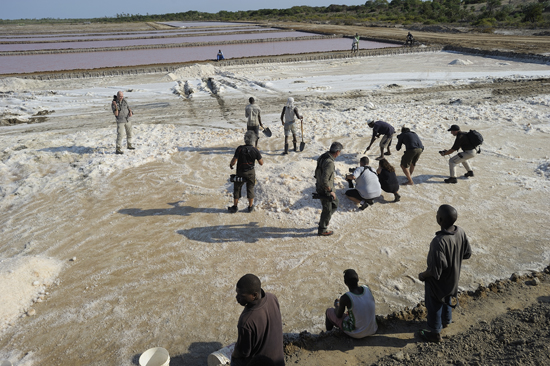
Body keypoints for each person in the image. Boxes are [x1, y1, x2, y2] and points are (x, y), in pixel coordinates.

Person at [418, 204, 472, 342]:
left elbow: (435, 271)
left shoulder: (438, 242)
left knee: (434, 304)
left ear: (440, 220)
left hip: (438, 283)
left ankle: (435, 333)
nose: (436, 215)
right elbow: (467, 254)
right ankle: (446, 321)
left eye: (437, 214)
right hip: (453, 278)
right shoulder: (460, 232)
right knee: (447, 298)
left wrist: (423, 275)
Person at [232, 274, 285, 366]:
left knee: (235, 360)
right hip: (279, 361)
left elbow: (244, 352)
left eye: (241, 295)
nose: (237, 298)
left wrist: (234, 354)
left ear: (254, 295)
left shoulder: (246, 320)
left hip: (263, 363)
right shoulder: (272, 298)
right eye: (237, 293)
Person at [325, 269, 378, 338]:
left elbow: (338, 315)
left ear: (345, 282)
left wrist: (337, 304)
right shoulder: (367, 288)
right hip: (373, 329)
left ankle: (328, 336)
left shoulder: (346, 297)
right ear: (358, 279)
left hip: (358, 333)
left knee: (329, 311)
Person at [229, 131, 264, 213]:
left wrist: (231, 165)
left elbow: (234, 161)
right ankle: (250, 207)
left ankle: (235, 207)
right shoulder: (255, 150)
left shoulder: (240, 148)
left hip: (240, 171)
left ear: (245, 139)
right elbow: (261, 163)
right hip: (250, 172)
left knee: (237, 188)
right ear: (253, 140)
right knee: (250, 188)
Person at [315, 142, 343, 236]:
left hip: (320, 186)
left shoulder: (323, 156)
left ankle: (324, 221)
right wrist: (330, 191)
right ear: (337, 152)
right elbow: (325, 180)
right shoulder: (330, 163)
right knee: (327, 209)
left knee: (335, 203)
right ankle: (322, 229)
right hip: (325, 189)